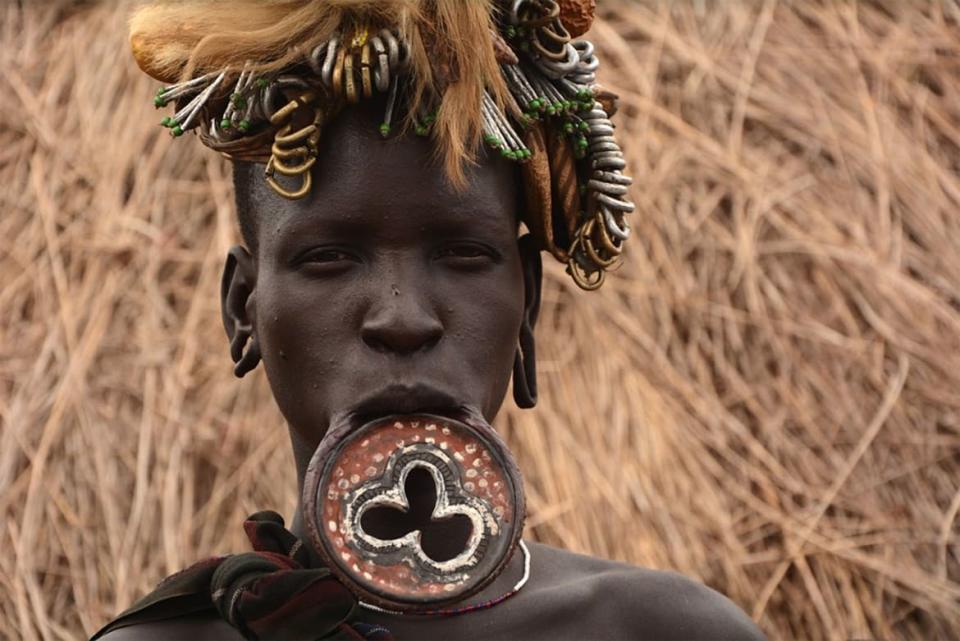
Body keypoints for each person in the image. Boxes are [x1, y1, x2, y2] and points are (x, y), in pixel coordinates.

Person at [93, 1, 768, 639]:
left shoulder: (663, 630)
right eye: (329, 257)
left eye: (463, 254)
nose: (403, 316)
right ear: (243, 310)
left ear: (528, 303)